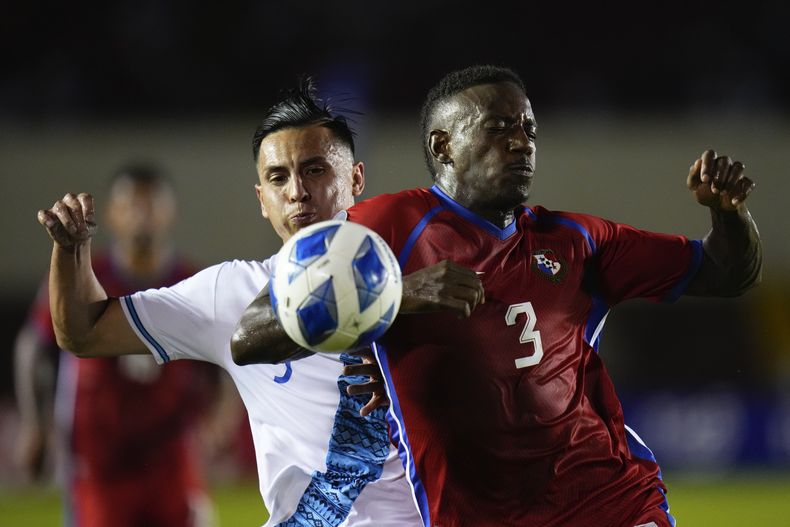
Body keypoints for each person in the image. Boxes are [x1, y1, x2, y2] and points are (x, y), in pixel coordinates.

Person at [233, 65, 763, 527]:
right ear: (443, 145)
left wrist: (728, 213)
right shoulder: (384, 228)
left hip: (610, 503)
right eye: (499, 127)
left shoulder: (575, 239)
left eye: (528, 127)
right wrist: (396, 296)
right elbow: (251, 335)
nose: (521, 141)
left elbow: (724, 272)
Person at [35, 79, 422, 526]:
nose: (296, 191)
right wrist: (71, 250)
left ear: (355, 177)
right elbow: (83, 330)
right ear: (263, 200)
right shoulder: (231, 291)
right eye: (278, 177)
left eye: (315, 169)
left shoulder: (420, 268)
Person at [16, 163, 231, 527]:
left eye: (152, 203)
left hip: (170, 454)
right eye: (131, 203)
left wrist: (221, 414)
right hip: (99, 458)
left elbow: (225, 351)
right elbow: (32, 346)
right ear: (112, 214)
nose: (142, 214)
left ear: (170, 212)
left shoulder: (192, 281)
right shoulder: (83, 277)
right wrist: (35, 423)